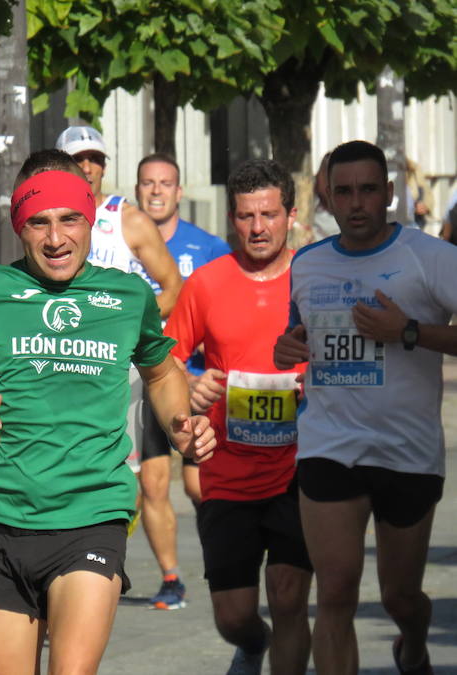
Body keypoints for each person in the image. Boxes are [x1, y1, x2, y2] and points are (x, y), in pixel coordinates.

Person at [0, 149, 216, 675]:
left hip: (93, 515)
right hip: (1, 519)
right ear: (19, 227)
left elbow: (160, 372)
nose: (56, 238)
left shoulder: (127, 295)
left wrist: (180, 426)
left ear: (90, 218)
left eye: (69, 219)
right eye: (39, 223)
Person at [274, 140, 457, 675]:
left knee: (400, 596)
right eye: (344, 191)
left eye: (368, 190)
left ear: (389, 194)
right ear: (327, 197)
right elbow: (296, 332)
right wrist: (287, 345)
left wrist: (409, 331)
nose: (356, 203)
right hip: (329, 445)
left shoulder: (431, 258)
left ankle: (414, 643)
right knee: (334, 592)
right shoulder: (307, 265)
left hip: (408, 451)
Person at [166, 159, 313, 674]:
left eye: (269, 215)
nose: (258, 228)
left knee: (291, 596)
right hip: (226, 472)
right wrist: (190, 382)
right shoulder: (207, 283)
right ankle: (252, 643)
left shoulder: (313, 277)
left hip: (302, 468)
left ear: (290, 215)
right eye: (247, 216)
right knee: (234, 616)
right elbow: (166, 358)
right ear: (232, 218)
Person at [133, 152, 231, 610]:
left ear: (179, 192)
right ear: (137, 190)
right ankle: (171, 577)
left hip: (199, 385)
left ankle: (225, 554)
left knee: (197, 487)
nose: (155, 191)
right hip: (146, 382)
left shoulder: (208, 248)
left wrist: (209, 374)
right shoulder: (122, 243)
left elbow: (229, 317)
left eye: (165, 183)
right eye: (148, 183)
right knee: (152, 483)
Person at [55, 126, 182, 319]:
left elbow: (175, 290)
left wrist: (126, 323)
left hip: (123, 343)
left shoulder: (130, 220)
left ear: (104, 168)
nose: (87, 168)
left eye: (96, 160)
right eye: (78, 159)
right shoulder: (44, 221)